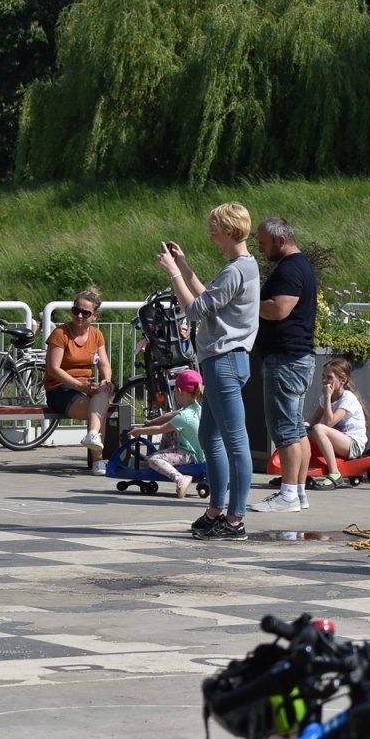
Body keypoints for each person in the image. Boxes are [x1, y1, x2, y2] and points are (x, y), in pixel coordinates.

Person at [157, 202, 260, 540]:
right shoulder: (243, 266)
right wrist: (185, 266)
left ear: (229, 231)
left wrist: (173, 273)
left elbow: (195, 310)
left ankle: (235, 519)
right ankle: (216, 510)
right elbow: (210, 301)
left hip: (224, 361)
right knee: (209, 437)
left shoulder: (235, 270)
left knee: (235, 441)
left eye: (214, 232)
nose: (212, 238)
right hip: (225, 361)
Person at [250, 217, 319, 513]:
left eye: (263, 243)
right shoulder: (301, 265)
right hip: (296, 358)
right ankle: (298, 492)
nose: (260, 249)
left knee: (286, 430)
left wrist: (247, 305)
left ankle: (288, 494)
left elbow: (279, 309)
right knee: (296, 428)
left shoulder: (290, 268)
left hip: (285, 359)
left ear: (280, 240)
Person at [44, 288, 114, 450]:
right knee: (98, 412)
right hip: (60, 388)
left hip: (85, 387)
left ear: (95, 316)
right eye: (76, 310)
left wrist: (106, 380)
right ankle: (98, 459)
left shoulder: (96, 335)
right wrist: (79, 386)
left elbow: (104, 364)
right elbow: (53, 369)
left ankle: (93, 436)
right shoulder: (60, 333)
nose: (79, 315)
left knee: (103, 395)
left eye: (85, 313)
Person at [128, 368, 204, 498]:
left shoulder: (184, 417)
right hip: (196, 451)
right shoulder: (196, 408)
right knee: (170, 432)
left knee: (153, 459)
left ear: (179, 391)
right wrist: (151, 422)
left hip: (190, 455)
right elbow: (170, 415)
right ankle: (162, 459)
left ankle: (180, 479)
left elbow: (160, 429)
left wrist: (139, 431)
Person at [307, 359, 369, 486]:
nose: (325, 380)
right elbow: (314, 419)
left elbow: (328, 423)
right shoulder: (326, 397)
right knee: (304, 433)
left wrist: (327, 397)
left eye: (329, 377)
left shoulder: (348, 398)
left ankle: (335, 473)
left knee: (318, 429)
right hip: (339, 442)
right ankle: (299, 473)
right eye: (323, 376)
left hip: (353, 445)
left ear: (343, 380)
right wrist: (299, 426)